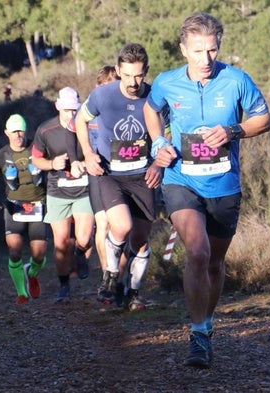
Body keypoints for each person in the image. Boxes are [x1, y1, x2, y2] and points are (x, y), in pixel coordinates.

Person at [143, 12, 270, 368]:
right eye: (198, 51)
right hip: (180, 178)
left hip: (224, 185)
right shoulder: (167, 82)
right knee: (198, 253)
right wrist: (158, 144)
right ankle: (198, 336)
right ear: (183, 49)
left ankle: (207, 322)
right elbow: (151, 110)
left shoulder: (236, 80)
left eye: (212, 50)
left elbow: (265, 119)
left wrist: (233, 131)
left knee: (215, 263)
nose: (206, 60)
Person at [75, 44, 162, 311]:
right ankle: (109, 276)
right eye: (126, 75)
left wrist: (159, 164)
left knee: (140, 240)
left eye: (138, 76)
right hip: (110, 173)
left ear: (145, 72)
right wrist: (89, 154)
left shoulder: (156, 96)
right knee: (120, 226)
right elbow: (80, 120)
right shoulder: (103, 95)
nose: (133, 82)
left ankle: (132, 292)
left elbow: (165, 131)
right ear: (118, 71)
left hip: (143, 175)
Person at [32, 87, 95, 303]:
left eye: (74, 110)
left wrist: (87, 164)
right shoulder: (45, 130)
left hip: (84, 190)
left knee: (84, 238)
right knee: (60, 243)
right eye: (67, 110)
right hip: (57, 192)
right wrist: (51, 163)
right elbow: (36, 159)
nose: (71, 114)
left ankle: (80, 253)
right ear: (57, 106)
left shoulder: (87, 127)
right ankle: (64, 285)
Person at [0, 114, 48, 305]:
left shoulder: (37, 149)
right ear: (6, 133)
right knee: (14, 252)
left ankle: (32, 272)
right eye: (14, 132)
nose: (18, 135)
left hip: (38, 205)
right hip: (14, 208)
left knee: (39, 255)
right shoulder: (1, 156)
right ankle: (22, 293)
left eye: (21, 130)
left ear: (26, 131)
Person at [84, 65, 120, 303]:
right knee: (103, 224)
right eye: (104, 85)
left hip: (125, 173)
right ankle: (107, 277)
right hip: (98, 172)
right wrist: (84, 157)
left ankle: (120, 277)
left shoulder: (125, 107)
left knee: (122, 228)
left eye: (113, 84)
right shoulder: (90, 109)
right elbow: (75, 134)